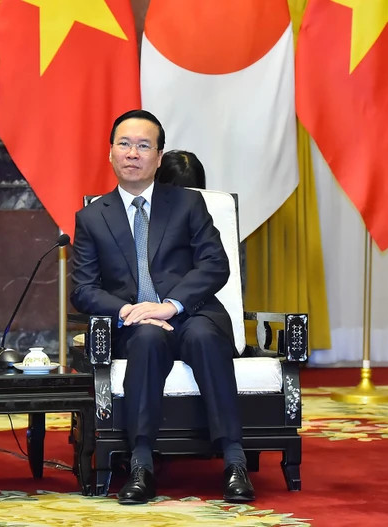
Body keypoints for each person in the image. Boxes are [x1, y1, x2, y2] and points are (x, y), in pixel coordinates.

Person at [70, 109, 254, 505]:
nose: (132, 153)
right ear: (110, 153)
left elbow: (215, 265)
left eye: (143, 146)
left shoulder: (187, 204)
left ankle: (235, 463)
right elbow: (83, 289)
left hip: (189, 314)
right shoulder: (91, 218)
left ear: (158, 155)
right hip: (134, 323)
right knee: (147, 341)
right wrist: (129, 311)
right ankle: (140, 466)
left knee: (205, 337)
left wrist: (170, 305)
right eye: (124, 144)